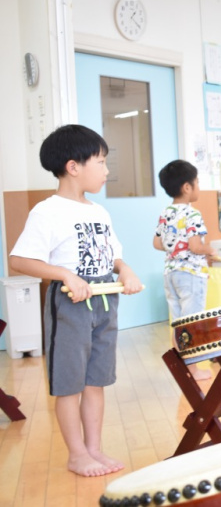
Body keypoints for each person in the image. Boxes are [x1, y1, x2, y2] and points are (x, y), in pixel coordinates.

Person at [9, 124, 143, 477]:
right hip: (69, 306)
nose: (107, 170)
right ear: (73, 166)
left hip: (104, 304)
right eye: (100, 162)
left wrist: (126, 270)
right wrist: (65, 275)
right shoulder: (47, 211)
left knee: (95, 381)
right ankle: (76, 454)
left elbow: (114, 256)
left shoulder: (99, 212)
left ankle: (94, 449)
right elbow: (19, 260)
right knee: (69, 384)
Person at [153, 159, 218, 381]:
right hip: (190, 275)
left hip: (170, 273)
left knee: (178, 322)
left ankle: (183, 367)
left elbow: (157, 243)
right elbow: (195, 246)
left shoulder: (166, 212)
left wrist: (175, 247)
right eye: (197, 182)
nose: (199, 187)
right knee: (192, 324)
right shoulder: (192, 214)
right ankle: (193, 370)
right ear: (187, 187)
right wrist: (210, 250)